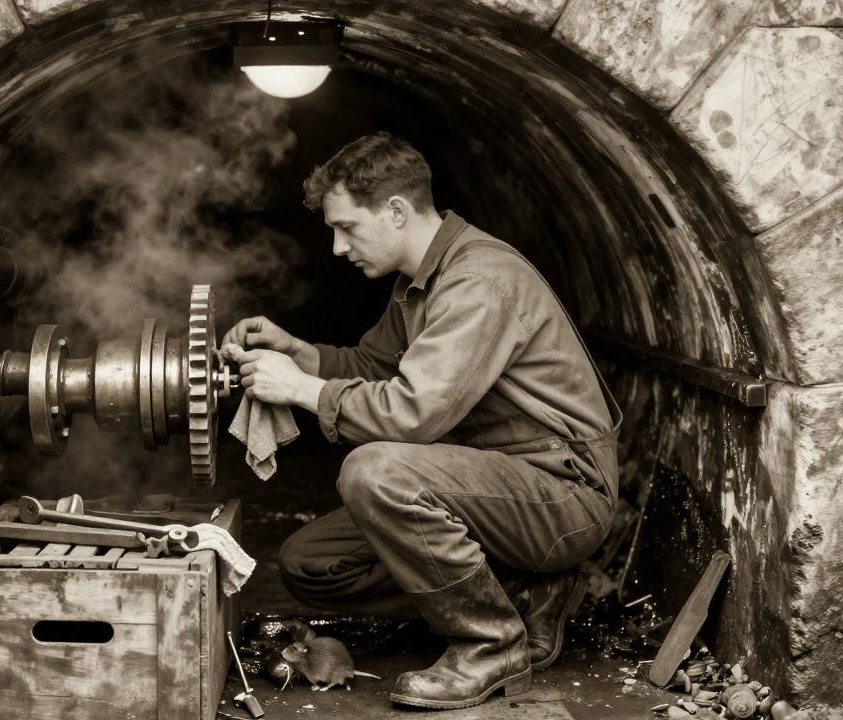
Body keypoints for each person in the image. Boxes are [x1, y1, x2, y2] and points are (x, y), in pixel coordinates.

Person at [223, 132, 621, 709]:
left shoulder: (478, 281)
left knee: (375, 471)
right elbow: (371, 366)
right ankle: (519, 594)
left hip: (561, 493)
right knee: (311, 565)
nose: (337, 247)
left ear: (395, 211)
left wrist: (302, 389)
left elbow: (411, 413)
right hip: (491, 484)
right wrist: (298, 353)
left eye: (347, 228)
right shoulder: (418, 282)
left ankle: (490, 645)